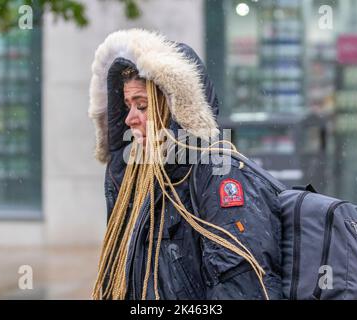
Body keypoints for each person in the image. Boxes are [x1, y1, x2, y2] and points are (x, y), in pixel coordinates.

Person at [88, 29, 282, 300]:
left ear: (173, 109)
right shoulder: (138, 179)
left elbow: (244, 291)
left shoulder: (218, 177)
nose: (130, 118)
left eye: (142, 105)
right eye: (127, 105)